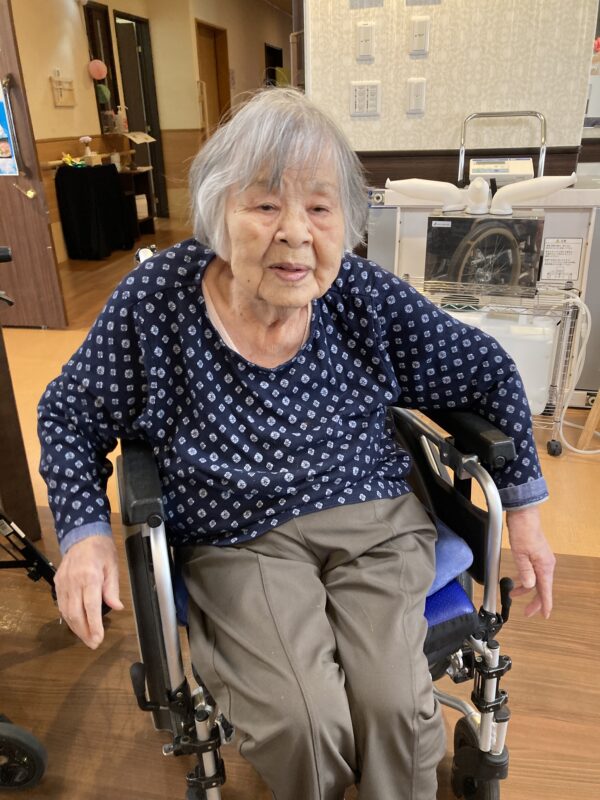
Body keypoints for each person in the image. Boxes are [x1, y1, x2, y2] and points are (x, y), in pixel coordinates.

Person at [38, 87, 555, 800]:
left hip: (374, 520)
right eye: (264, 204)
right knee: (301, 723)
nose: (295, 233)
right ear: (219, 211)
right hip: (235, 537)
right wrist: (85, 534)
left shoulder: (362, 297)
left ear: (346, 221)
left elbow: (489, 371)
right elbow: (70, 414)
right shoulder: (158, 301)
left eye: (319, 208)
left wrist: (523, 514)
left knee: (396, 710)